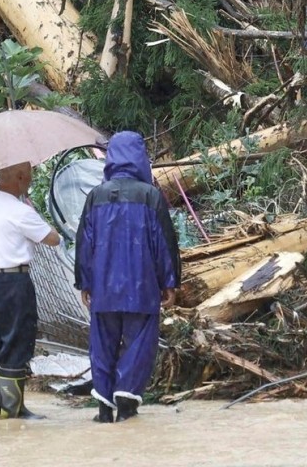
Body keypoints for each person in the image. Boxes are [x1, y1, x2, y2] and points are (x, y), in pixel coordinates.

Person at [74, 130, 181, 423]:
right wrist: (169, 282)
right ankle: (126, 396)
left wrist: (84, 281)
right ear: (140, 158)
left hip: (103, 288)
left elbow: (84, 242)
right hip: (142, 286)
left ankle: (104, 409)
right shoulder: (150, 196)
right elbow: (164, 243)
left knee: (102, 345)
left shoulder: (96, 196)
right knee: (140, 342)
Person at [0, 161, 59, 420]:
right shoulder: (20, 211)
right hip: (14, 282)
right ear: (20, 178)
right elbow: (52, 239)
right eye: (29, 177)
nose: (30, 182)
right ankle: (14, 408)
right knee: (17, 338)